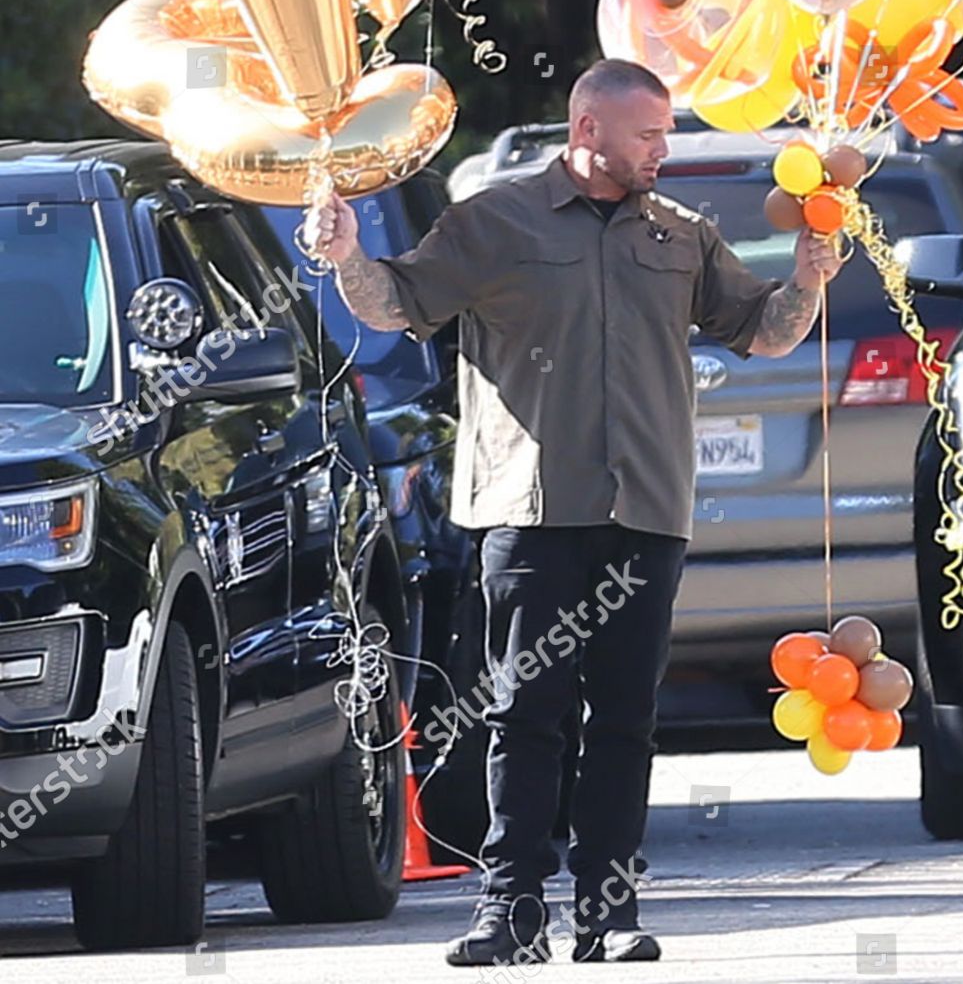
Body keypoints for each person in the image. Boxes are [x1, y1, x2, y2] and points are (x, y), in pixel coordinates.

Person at [304, 59, 842, 966]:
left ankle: (609, 913)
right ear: (588, 130)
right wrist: (347, 252)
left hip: (647, 509)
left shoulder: (682, 235)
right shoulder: (495, 221)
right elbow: (394, 305)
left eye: (666, 134)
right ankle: (509, 908)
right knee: (525, 712)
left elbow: (765, 330)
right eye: (648, 135)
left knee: (626, 717)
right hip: (529, 507)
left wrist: (809, 277)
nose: (663, 151)